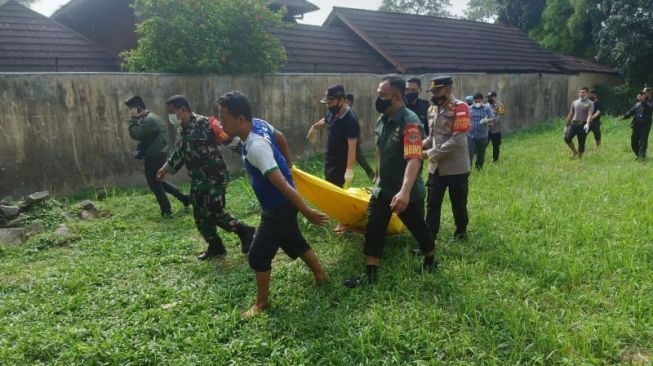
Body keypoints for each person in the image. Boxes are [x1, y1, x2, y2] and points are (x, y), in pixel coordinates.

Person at [217, 91, 328, 318]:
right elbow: (281, 137)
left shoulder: (257, 147)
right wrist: (288, 161)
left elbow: (285, 188)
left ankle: (262, 303)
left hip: (279, 206)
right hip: (281, 204)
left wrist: (307, 212)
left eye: (224, 118)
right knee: (294, 239)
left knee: (258, 255)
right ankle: (321, 276)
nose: (220, 123)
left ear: (240, 120)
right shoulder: (258, 124)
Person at [344, 75, 436, 288]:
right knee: (374, 227)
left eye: (382, 95)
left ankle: (430, 258)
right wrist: (377, 173)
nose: (378, 99)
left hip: (407, 191)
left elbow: (414, 159)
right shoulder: (382, 118)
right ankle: (370, 274)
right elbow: (379, 147)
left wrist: (404, 192)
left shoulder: (410, 122)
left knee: (419, 230)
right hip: (382, 189)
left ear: (396, 98)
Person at [156, 95, 256, 260]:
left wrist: (251, 156)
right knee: (200, 215)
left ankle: (244, 230)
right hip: (197, 179)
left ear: (182, 110)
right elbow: (179, 152)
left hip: (214, 177)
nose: (170, 116)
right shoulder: (182, 129)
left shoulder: (207, 124)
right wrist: (165, 169)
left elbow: (231, 140)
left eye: (172, 112)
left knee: (214, 212)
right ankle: (215, 246)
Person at [423, 76, 471, 241]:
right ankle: (429, 238)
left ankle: (461, 232)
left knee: (458, 203)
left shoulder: (461, 108)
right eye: (433, 91)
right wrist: (416, 147)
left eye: (438, 91)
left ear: (448, 90)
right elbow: (431, 138)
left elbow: (456, 140)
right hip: (436, 167)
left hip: (456, 167)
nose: (434, 95)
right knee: (432, 204)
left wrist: (428, 154)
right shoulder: (432, 110)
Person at [307, 85, 360, 233]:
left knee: (339, 194)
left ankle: (344, 223)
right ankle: (343, 219)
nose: (328, 105)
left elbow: (352, 146)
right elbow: (325, 121)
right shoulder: (333, 112)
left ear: (341, 100)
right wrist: (314, 128)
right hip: (331, 159)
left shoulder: (350, 119)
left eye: (330, 102)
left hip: (342, 162)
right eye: (327, 102)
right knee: (332, 190)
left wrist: (349, 169)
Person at [125, 95, 189, 217]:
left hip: (155, 154)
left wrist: (132, 120)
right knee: (158, 180)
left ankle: (166, 210)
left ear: (137, 108)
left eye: (130, 109)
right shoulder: (150, 117)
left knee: (154, 183)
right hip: (158, 152)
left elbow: (136, 134)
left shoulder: (149, 120)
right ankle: (184, 198)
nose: (129, 112)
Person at [346, 93, 375, 180]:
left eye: (345, 100)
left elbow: (358, 126)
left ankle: (372, 176)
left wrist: (359, 137)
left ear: (350, 102)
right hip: (346, 140)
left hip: (352, 141)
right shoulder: (345, 113)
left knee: (360, 159)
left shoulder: (351, 114)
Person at [619, 91, 653, 160]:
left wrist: (643, 101)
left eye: (641, 94)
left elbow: (650, 109)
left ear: (644, 96)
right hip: (636, 126)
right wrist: (623, 117)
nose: (639, 95)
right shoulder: (637, 105)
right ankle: (638, 155)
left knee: (643, 141)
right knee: (633, 142)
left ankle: (642, 156)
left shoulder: (649, 104)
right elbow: (630, 112)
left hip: (645, 126)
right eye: (638, 94)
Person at [564, 87, 594, 159]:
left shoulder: (590, 103)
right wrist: (566, 125)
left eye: (583, 92)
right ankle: (574, 152)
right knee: (567, 138)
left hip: (582, 125)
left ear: (587, 93)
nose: (581, 94)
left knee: (581, 143)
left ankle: (580, 158)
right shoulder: (574, 102)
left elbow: (590, 114)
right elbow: (571, 114)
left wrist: (587, 124)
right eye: (580, 92)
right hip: (573, 124)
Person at [468, 92, 495, 170]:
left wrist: (486, 120)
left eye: (479, 101)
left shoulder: (487, 108)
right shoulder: (469, 109)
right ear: (473, 101)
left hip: (482, 136)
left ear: (482, 100)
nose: (477, 103)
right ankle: (468, 170)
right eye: (475, 101)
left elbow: (493, 119)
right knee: (469, 153)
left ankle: (479, 168)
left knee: (481, 154)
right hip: (471, 136)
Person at [487, 91, 505, 162]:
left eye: (490, 97)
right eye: (488, 97)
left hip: (496, 129)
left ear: (495, 97)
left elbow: (500, 116)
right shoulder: (486, 106)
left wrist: (492, 122)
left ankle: (495, 160)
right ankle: (480, 158)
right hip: (487, 129)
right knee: (483, 144)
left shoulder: (500, 105)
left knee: (496, 145)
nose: (489, 99)